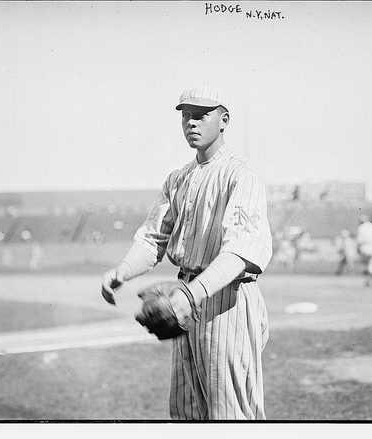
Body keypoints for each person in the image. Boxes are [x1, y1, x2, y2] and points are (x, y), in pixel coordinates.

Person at [100, 84, 273, 420]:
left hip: (228, 299)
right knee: (186, 411)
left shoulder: (241, 173)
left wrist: (192, 295)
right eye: (186, 116)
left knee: (229, 412)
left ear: (223, 120)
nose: (191, 123)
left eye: (201, 115)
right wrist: (121, 271)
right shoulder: (178, 178)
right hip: (187, 300)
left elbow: (240, 252)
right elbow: (152, 240)